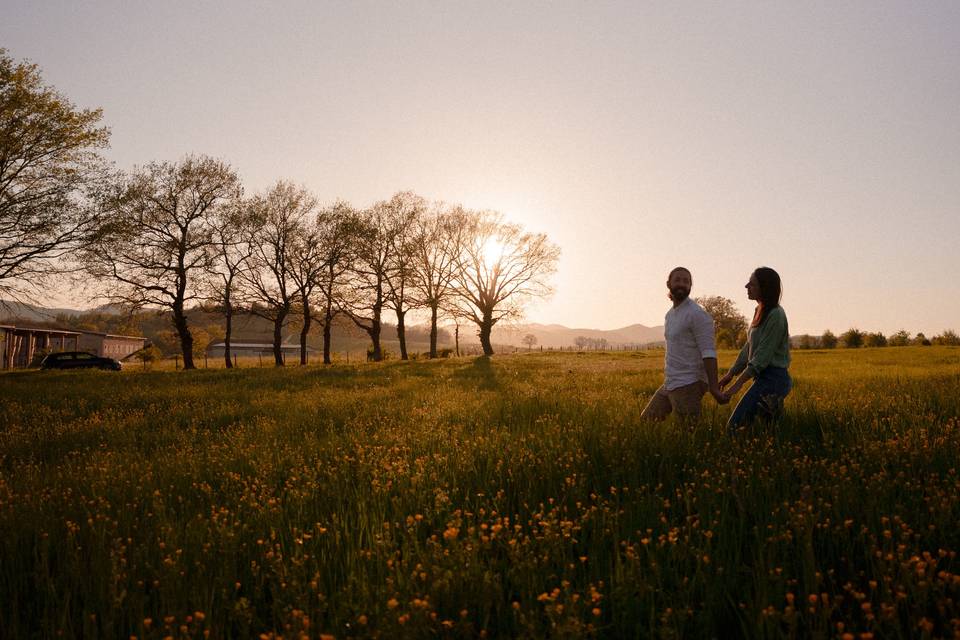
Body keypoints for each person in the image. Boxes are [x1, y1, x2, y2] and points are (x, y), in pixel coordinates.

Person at [641, 266, 725, 424]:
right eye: (677, 280)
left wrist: (713, 387)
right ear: (668, 284)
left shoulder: (697, 314)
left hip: (689, 382)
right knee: (647, 421)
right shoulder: (670, 315)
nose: (682, 284)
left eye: (686, 281)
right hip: (671, 381)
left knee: (689, 434)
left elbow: (709, 353)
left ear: (690, 287)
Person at [719, 267, 791, 432]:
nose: (746, 286)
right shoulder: (759, 310)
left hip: (774, 380)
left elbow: (761, 358)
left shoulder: (776, 315)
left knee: (734, 427)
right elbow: (749, 347)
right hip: (764, 379)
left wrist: (734, 389)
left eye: (752, 284)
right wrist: (730, 374)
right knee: (769, 430)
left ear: (764, 288)